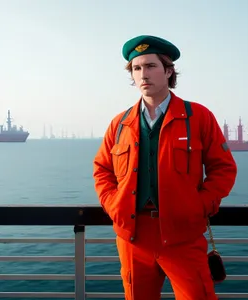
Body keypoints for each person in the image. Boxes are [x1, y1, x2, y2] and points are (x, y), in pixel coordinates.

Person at [93, 35, 237, 300]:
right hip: (133, 237)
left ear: (168, 71)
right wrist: (113, 205)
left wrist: (200, 204)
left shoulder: (198, 117)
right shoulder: (120, 123)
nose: (143, 74)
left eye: (150, 66)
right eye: (137, 68)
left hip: (183, 234)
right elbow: (102, 169)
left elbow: (224, 168)